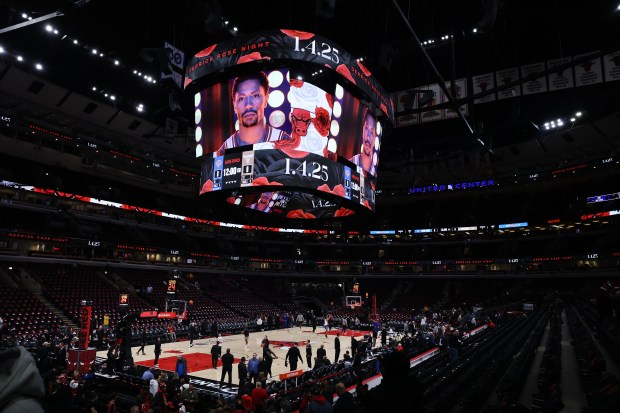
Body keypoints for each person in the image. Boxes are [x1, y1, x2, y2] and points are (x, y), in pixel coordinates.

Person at [217, 72, 289, 154]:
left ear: (266, 99)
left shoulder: (284, 140)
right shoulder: (224, 149)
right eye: (241, 98)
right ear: (234, 105)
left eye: (255, 95)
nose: (248, 105)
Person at [348, 107, 377, 176]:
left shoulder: (374, 174)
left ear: (375, 138)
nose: (368, 136)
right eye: (366, 128)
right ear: (363, 130)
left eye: (371, 131)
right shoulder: (350, 163)